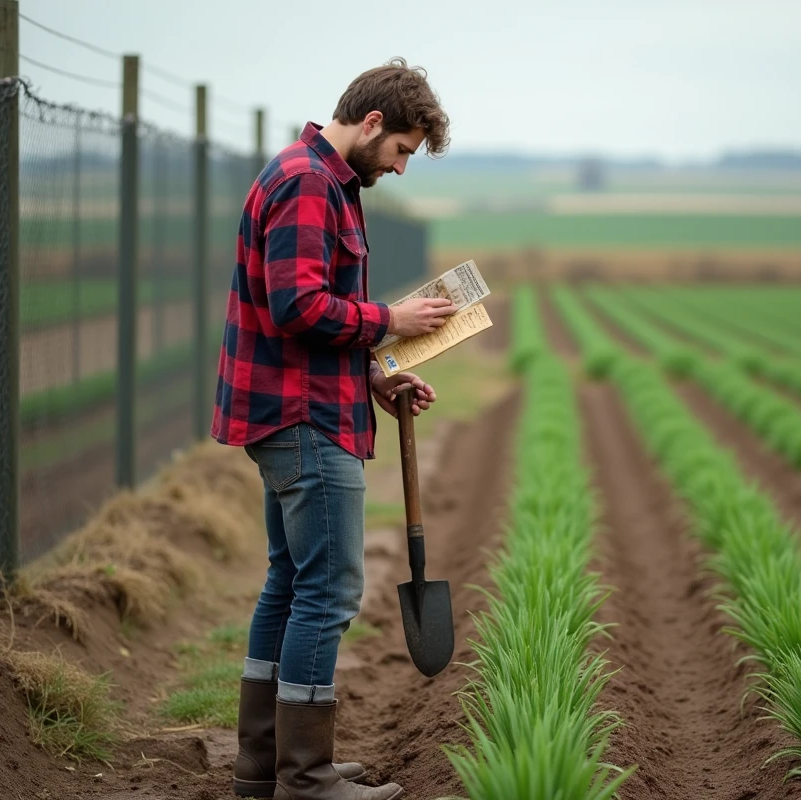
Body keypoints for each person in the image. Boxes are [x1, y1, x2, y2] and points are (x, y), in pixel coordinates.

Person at [211, 58, 451, 800]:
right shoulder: (309, 184)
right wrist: (392, 321)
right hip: (301, 418)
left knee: (290, 581)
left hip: (304, 403)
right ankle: (306, 777)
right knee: (330, 589)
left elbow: (316, 317)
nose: (402, 168)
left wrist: (377, 376)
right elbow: (297, 307)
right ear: (373, 122)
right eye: (403, 151)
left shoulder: (324, 180)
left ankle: (267, 762)